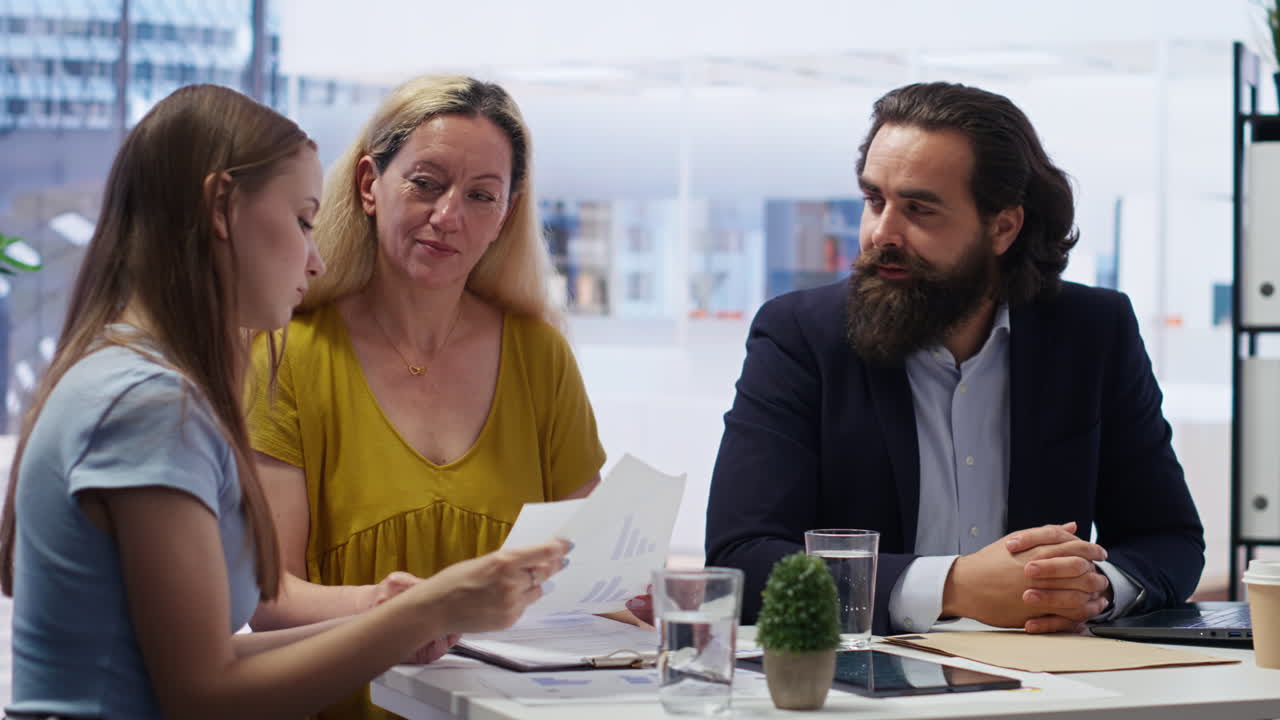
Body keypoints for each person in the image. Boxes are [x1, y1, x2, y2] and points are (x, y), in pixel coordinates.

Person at [0, 84, 568, 720]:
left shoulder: (133, 383)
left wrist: (399, 623)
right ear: (222, 208)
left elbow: (210, 661)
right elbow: (203, 697)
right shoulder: (148, 406)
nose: (317, 258)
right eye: (301, 220)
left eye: (482, 195)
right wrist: (425, 608)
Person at [705, 82, 1205, 637]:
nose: (880, 233)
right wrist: (953, 585)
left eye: (919, 209)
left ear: (1003, 227)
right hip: (869, 683)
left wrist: (1097, 587)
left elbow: (1169, 538)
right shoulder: (800, 336)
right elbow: (741, 560)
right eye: (875, 201)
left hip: (1054, 677)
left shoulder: (1093, 331)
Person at [244, 75, 606, 719]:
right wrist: (394, 609)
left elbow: (590, 568)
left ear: (507, 213)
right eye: (426, 183)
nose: (448, 217)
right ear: (367, 186)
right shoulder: (289, 354)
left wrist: (632, 597)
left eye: (480, 195)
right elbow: (270, 596)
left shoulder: (540, 354)